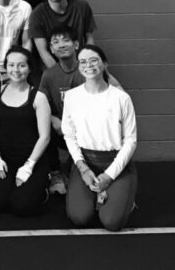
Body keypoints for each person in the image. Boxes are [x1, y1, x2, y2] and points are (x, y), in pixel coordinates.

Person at [38, 26, 122, 195]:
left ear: (76, 45)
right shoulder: (49, 75)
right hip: (62, 130)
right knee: (42, 126)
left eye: (66, 40)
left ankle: (101, 176)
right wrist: (54, 120)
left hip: (90, 132)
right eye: (56, 42)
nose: (61, 45)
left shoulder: (89, 68)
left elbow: (119, 92)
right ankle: (56, 174)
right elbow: (40, 106)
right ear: (51, 50)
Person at [63, 45, 137, 232]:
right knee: (79, 217)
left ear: (104, 64)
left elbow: (130, 140)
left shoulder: (121, 98)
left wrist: (109, 175)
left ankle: (125, 197)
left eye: (94, 60)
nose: (88, 65)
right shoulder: (72, 97)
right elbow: (69, 136)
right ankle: (98, 194)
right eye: (83, 61)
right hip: (86, 164)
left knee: (112, 222)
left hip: (116, 164)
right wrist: (82, 167)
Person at [0, 47, 52, 216]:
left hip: (33, 161)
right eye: (11, 65)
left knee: (21, 206)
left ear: (29, 69)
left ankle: (43, 185)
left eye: (21, 65)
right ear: (6, 67)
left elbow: (45, 136)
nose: (16, 70)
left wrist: (29, 166)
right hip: (6, 159)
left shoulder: (38, 97)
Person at [30, 0, 97, 70]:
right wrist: (61, 75)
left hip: (81, 65)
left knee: (112, 84)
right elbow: (43, 51)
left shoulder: (82, 6)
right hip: (52, 68)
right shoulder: (37, 14)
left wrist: (86, 65)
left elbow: (89, 38)